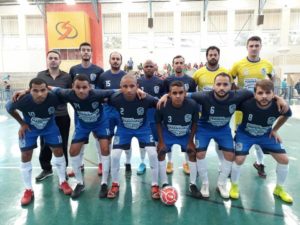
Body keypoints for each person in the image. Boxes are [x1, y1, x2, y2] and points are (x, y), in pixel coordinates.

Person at [6, 78, 72, 206]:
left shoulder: (54, 97)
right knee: (25, 156)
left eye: (43, 90)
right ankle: (28, 189)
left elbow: (69, 94)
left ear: (47, 89)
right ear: (30, 91)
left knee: (59, 151)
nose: (40, 94)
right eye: (35, 91)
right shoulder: (22, 99)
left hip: (50, 127)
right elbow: (9, 108)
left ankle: (63, 181)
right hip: (30, 129)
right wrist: (22, 123)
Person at [51, 75, 115, 199]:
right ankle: (80, 183)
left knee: (105, 149)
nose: (81, 90)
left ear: (89, 87)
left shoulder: (97, 94)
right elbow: (52, 88)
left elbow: (117, 90)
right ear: (73, 87)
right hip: (83, 125)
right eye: (78, 87)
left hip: (100, 124)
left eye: (84, 87)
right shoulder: (68, 94)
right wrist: (26, 91)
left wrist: (138, 90)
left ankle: (104, 183)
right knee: (73, 151)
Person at [230, 80, 293, 203]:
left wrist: (275, 130)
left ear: (273, 93)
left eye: (268, 93)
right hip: (245, 134)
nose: (264, 96)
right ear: (255, 94)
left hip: (265, 134)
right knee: (239, 159)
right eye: (260, 93)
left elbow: (287, 115)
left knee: (284, 160)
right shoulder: (246, 103)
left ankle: (279, 189)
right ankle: (234, 186)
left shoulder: (279, 105)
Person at [229, 36, 275, 178]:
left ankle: (260, 163)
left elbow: (272, 81)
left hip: (262, 106)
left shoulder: (267, 65)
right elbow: (229, 80)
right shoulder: (238, 65)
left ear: (260, 46)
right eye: (251, 45)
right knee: (240, 135)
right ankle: (233, 166)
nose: (254, 48)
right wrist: (237, 90)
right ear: (247, 47)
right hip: (244, 107)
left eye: (257, 45)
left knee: (260, 133)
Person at [107, 74, 159, 199]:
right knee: (114, 156)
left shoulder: (146, 98)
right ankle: (115, 184)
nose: (129, 90)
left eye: (132, 86)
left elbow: (161, 103)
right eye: (125, 86)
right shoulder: (115, 98)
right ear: (120, 87)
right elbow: (99, 96)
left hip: (143, 129)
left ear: (138, 86)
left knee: (153, 154)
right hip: (124, 129)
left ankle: (155, 185)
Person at [156, 81, 201, 198]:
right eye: (174, 93)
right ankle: (164, 183)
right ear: (169, 94)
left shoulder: (192, 105)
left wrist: (191, 141)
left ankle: (193, 184)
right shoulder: (163, 104)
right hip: (168, 133)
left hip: (185, 134)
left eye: (180, 92)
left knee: (192, 152)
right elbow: (158, 123)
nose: (177, 95)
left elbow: (195, 123)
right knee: (161, 152)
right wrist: (161, 141)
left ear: (185, 93)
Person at [35, 50, 72, 182]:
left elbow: (70, 94)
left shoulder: (67, 77)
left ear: (60, 60)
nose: (53, 60)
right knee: (45, 144)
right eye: (50, 58)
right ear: (47, 60)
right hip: (45, 117)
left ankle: (63, 169)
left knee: (62, 143)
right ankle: (46, 169)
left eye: (56, 58)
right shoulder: (40, 75)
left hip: (62, 115)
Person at [68, 42, 104, 177]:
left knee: (98, 136)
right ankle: (79, 164)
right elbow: (71, 90)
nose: (86, 52)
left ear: (91, 53)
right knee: (80, 137)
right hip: (80, 111)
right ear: (80, 52)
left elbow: (101, 92)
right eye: (83, 50)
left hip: (96, 110)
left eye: (88, 50)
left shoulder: (98, 70)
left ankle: (101, 163)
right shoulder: (73, 69)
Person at [192, 46, 230, 169]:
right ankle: (197, 166)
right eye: (210, 55)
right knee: (200, 143)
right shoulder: (198, 73)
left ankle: (221, 164)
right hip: (203, 114)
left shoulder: (226, 72)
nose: (213, 57)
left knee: (220, 143)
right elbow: (192, 93)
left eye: (215, 54)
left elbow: (232, 90)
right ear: (207, 56)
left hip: (221, 113)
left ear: (219, 56)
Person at [97, 52, 133, 174]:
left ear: (121, 61)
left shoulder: (126, 76)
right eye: (113, 58)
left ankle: (128, 162)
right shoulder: (103, 76)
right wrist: (106, 99)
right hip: (107, 111)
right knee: (107, 139)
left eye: (118, 59)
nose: (115, 61)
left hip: (124, 112)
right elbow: (98, 94)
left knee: (125, 138)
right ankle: (107, 163)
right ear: (109, 60)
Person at [163, 55, 197, 175]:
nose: (178, 65)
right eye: (176, 62)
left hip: (185, 114)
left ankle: (187, 162)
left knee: (186, 139)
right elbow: (165, 96)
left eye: (181, 62)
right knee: (169, 137)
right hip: (171, 114)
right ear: (173, 65)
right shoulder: (167, 80)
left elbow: (193, 97)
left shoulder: (191, 80)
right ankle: (170, 162)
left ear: (184, 65)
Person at [137, 60, 165, 175]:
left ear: (154, 68)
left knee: (157, 140)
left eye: (150, 66)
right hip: (141, 115)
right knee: (142, 142)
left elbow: (164, 98)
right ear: (143, 68)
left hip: (155, 115)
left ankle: (159, 161)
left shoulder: (160, 82)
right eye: (146, 66)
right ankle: (142, 162)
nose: (148, 68)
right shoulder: (138, 81)